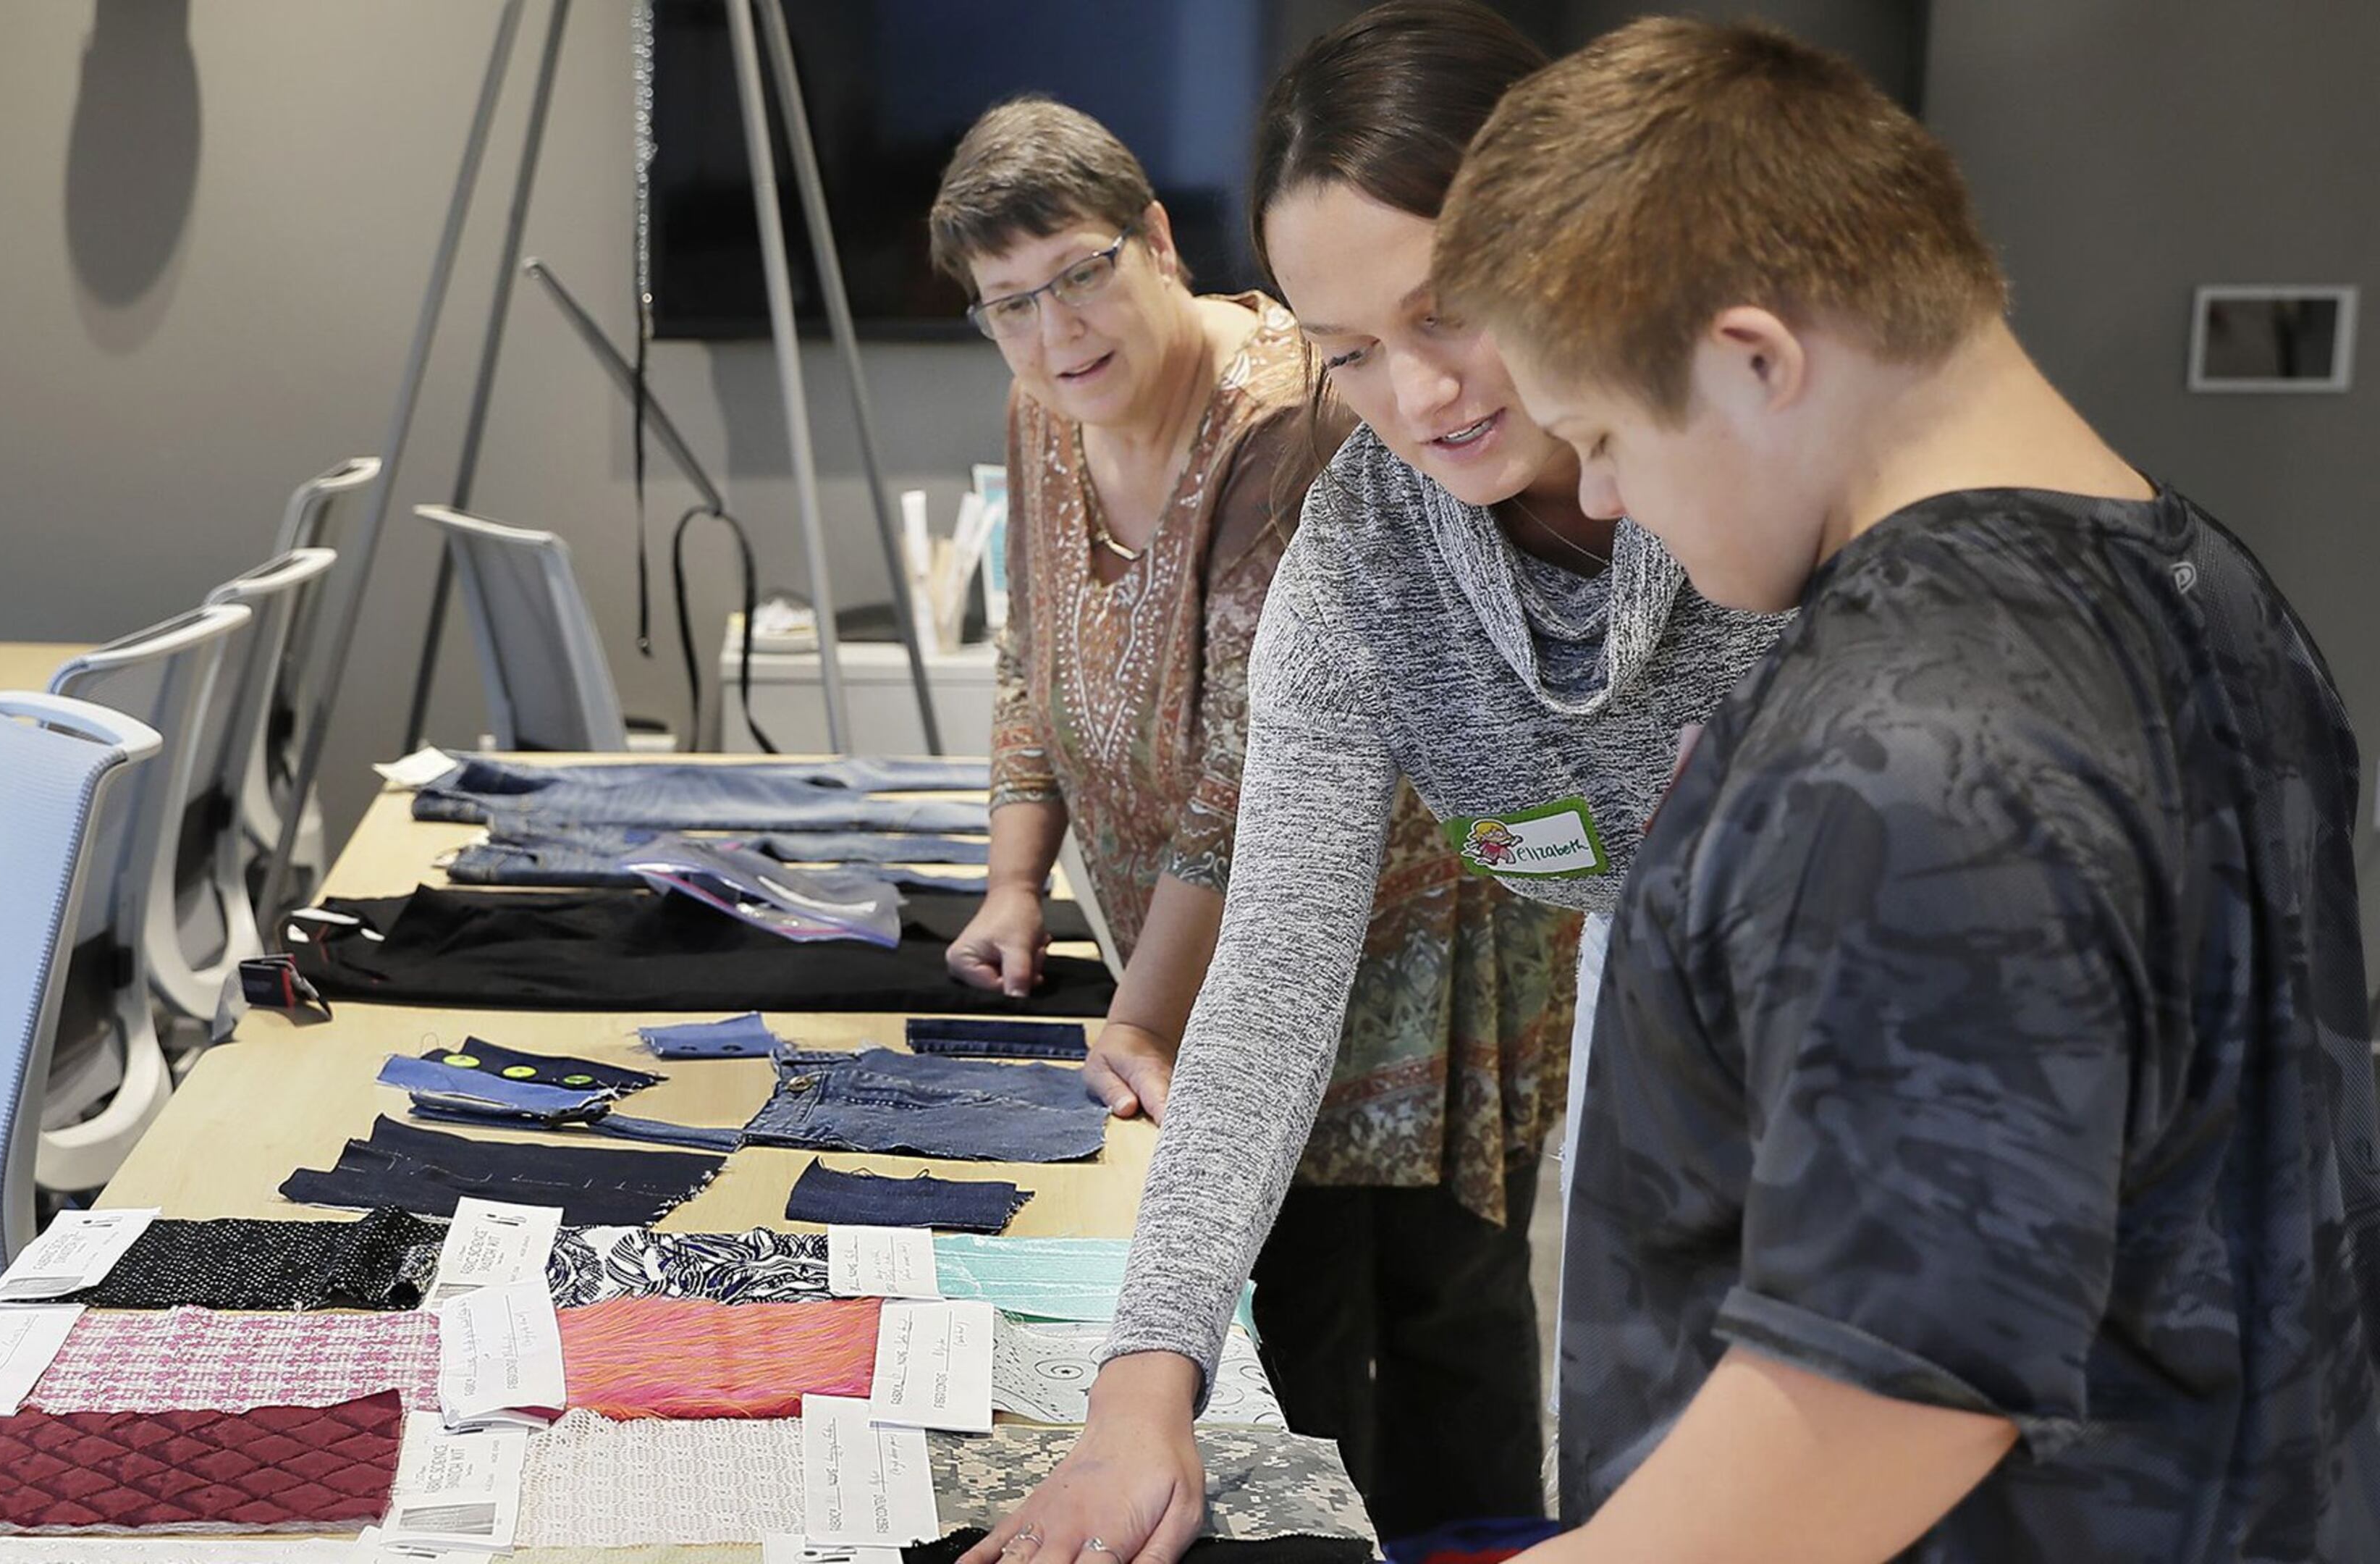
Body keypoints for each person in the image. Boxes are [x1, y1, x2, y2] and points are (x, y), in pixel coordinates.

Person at [1430, 19, 2380, 1563]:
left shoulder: (1906, 747)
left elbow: (1895, 1390)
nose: (1602, 495)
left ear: (1753, 358)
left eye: (1603, 433)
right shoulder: (2212, 589)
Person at [961, 8, 1789, 1564]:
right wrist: (1149, 1382)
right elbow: (1270, 979)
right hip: (1679, 1036)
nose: (1417, 399)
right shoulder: (1361, 553)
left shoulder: (1765, 483)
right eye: (1346, 351)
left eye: (1452, 311)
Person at [930, 92, 1581, 1536]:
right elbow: (1029, 656)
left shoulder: (1297, 423)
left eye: (1082, 273)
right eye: (1011, 306)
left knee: (1431, 1307)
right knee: (1278, 1310)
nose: (1057, 331)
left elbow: (1243, 783)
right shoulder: (1045, 405)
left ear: (1156, 238)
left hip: (1408, 948)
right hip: (1202, 938)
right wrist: (1014, 881)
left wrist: (1149, 1021)